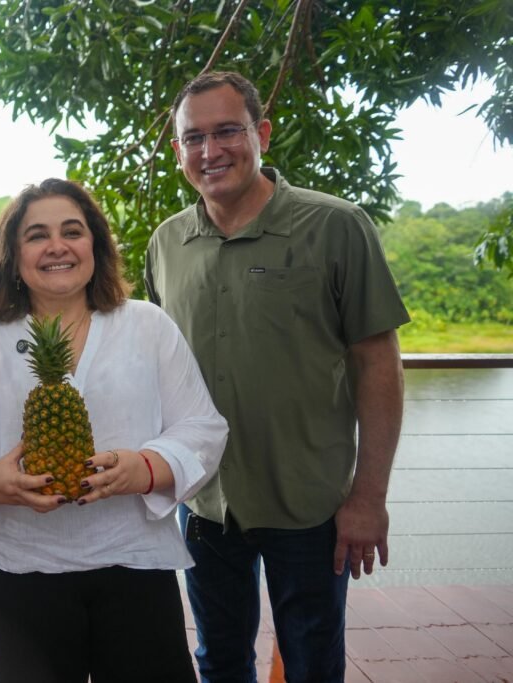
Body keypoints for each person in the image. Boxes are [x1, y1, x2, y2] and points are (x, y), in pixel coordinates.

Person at [144, 71, 409, 682]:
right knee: (219, 660)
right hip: (206, 505)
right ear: (179, 150)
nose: (211, 151)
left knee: (313, 661)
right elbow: (161, 370)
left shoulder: (336, 226)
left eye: (227, 131)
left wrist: (368, 497)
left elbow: (378, 362)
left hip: (311, 508)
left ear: (261, 133)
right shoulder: (168, 243)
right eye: (193, 138)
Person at [0, 178, 229, 683]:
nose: (57, 246)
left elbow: (203, 427)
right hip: (20, 571)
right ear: (13, 255)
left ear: (96, 246)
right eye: (37, 235)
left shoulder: (146, 326)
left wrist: (144, 468)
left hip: (133, 563)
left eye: (73, 231)